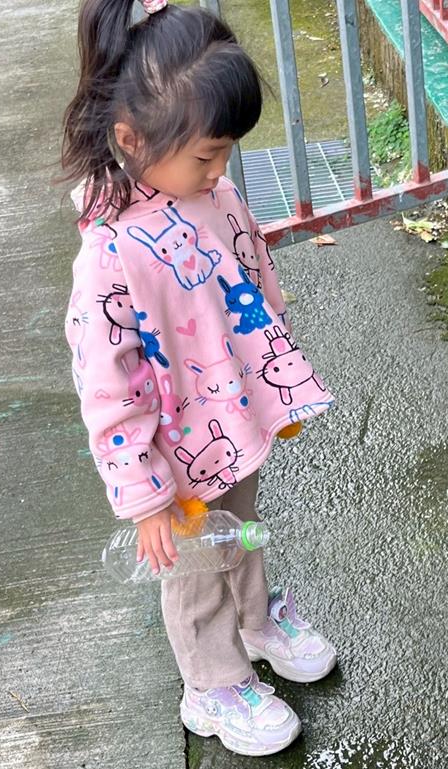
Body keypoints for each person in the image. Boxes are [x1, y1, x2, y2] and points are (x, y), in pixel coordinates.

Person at [59, 0, 336, 756]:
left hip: (231, 419)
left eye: (225, 153)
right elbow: (106, 386)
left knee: (240, 530)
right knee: (192, 568)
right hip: (170, 456)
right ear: (130, 139)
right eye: (207, 156)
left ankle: (255, 619)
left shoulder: (212, 195)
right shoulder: (111, 253)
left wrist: (278, 384)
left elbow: (254, 285)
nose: (220, 171)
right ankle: (212, 682)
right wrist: (144, 496)